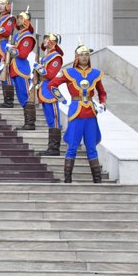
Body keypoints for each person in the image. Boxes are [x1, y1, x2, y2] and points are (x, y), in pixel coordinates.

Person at [49, 42, 108, 184]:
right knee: (73, 146)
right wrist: (62, 99)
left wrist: (102, 103)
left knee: (92, 147)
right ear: (76, 57)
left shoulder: (95, 73)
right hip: (76, 111)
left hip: (91, 113)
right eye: (81, 55)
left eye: (86, 54)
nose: (84, 57)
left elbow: (102, 92)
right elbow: (52, 85)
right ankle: (67, 179)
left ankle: (97, 180)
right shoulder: (69, 72)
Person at [35, 33, 66, 156]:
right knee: (49, 120)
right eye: (45, 39)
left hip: (50, 89)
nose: (45, 41)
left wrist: (39, 68)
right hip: (43, 87)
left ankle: (54, 148)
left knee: (54, 119)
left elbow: (50, 74)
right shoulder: (46, 56)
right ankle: (51, 147)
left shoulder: (56, 57)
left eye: (48, 39)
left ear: (54, 41)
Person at [10, 9, 38, 131]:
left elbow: (22, 54)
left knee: (25, 95)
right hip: (15, 67)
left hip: (22, 68)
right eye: (18, 18)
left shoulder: (28, 37)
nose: (18, 20)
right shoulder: (18, 35)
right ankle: (27, 122)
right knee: (21, 96)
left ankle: (30, 123)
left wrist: (11, 49)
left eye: (21, 18)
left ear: (27, 21)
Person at [0, 0, 16, 107]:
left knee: (6, 74)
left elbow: (7, 32)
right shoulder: (0, 18)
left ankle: (9, 100)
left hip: (5, 45)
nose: (0, 6)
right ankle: (6, 99)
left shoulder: (10, 18)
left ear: (7, 5)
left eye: (2, 4)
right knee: (3, 73)